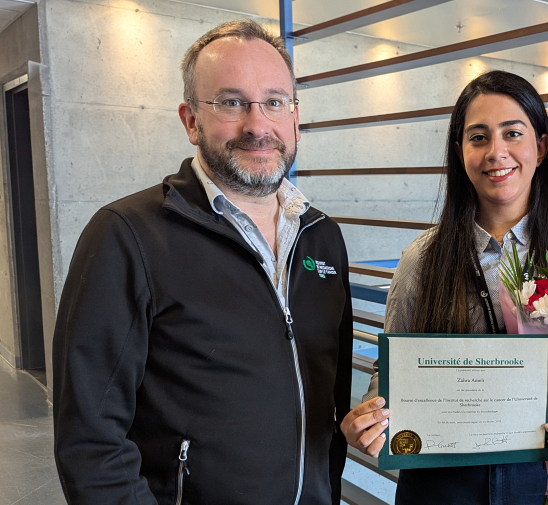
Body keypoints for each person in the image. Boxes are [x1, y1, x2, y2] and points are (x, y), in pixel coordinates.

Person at [52, 20, 353, 504]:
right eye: (232, 103)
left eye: (274, 102)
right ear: (191, 120)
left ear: (294, 117)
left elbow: (328, 404)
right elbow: (91, 442)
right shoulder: (127, 236)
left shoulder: (322, 238)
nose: (258, 125)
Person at [339, 70, 548, 504]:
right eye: (478, 137)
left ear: (541, 147)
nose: (497, 152)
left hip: (547, 479)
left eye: (513, 133)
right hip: (443, 485)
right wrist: (374, 416)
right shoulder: (423, 257)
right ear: (460, 153)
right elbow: (392, 368)